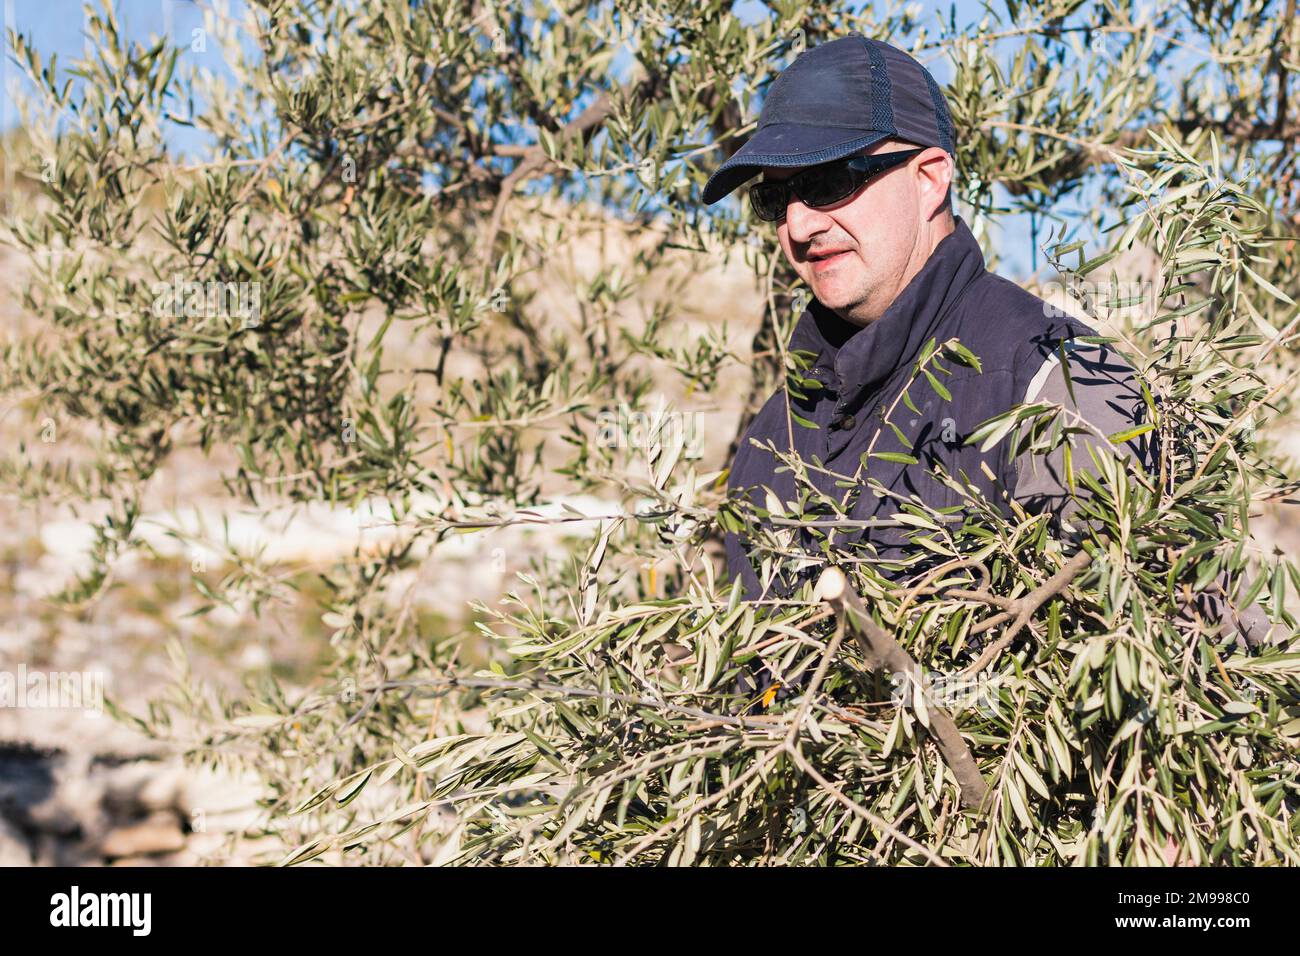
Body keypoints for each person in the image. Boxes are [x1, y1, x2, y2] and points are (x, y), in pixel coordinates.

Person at [701, 34, 1271, 651]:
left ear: (930, 179)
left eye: (832, 179)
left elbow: (1186, 673)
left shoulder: (1060, 384)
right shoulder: (770, 440)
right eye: (775, 196)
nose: (799, 225)